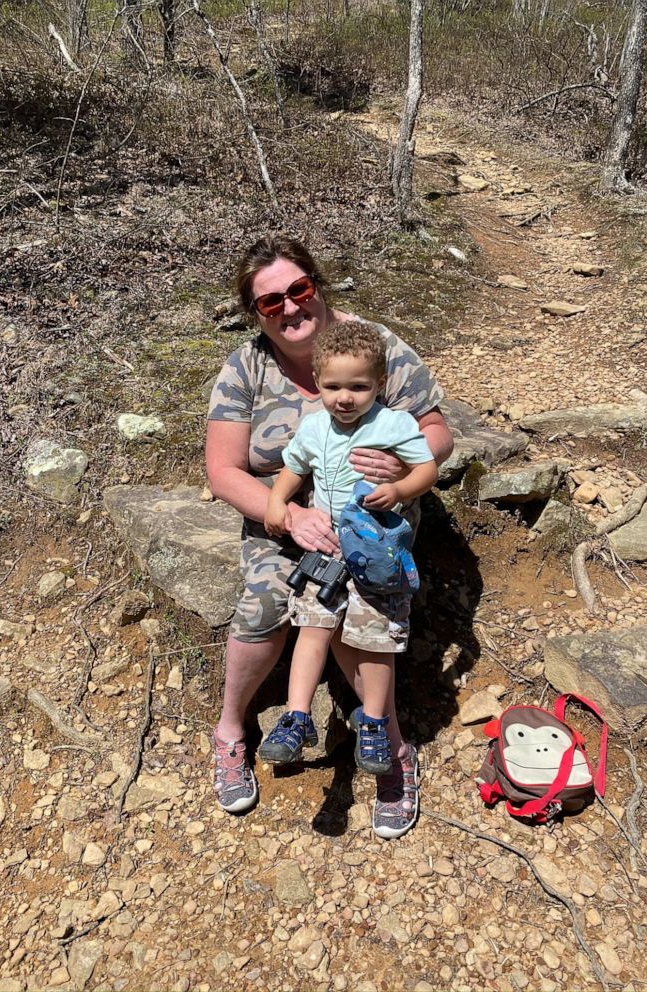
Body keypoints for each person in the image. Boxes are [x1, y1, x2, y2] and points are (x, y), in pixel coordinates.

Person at [206, 235, 453, 839]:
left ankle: (388, 743)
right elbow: (222, 470)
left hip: (373, 515)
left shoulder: (374, 343)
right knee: (265, 603)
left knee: (363, 604)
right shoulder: (246, 366)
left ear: (316, 285)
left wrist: (402, 474)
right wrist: (288, 516)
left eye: (298, 290)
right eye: (271, 303)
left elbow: (436, 432)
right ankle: (232, 730)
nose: (289, 309)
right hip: (284, 509)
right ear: (255, 313)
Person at [260, 320, 438, 779]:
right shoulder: (316, 427)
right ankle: (298, 717)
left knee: (375, 639)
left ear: (378, 385)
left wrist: (399, 488)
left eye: (358, 387)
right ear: (317, 383)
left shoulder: (393, 422)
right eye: (334, 385)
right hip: (327, 549)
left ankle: (375, 721)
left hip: (377, 552)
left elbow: (427, 469)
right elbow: (294, 468)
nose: (345, 397)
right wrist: (278, 502)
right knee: (313, 626)